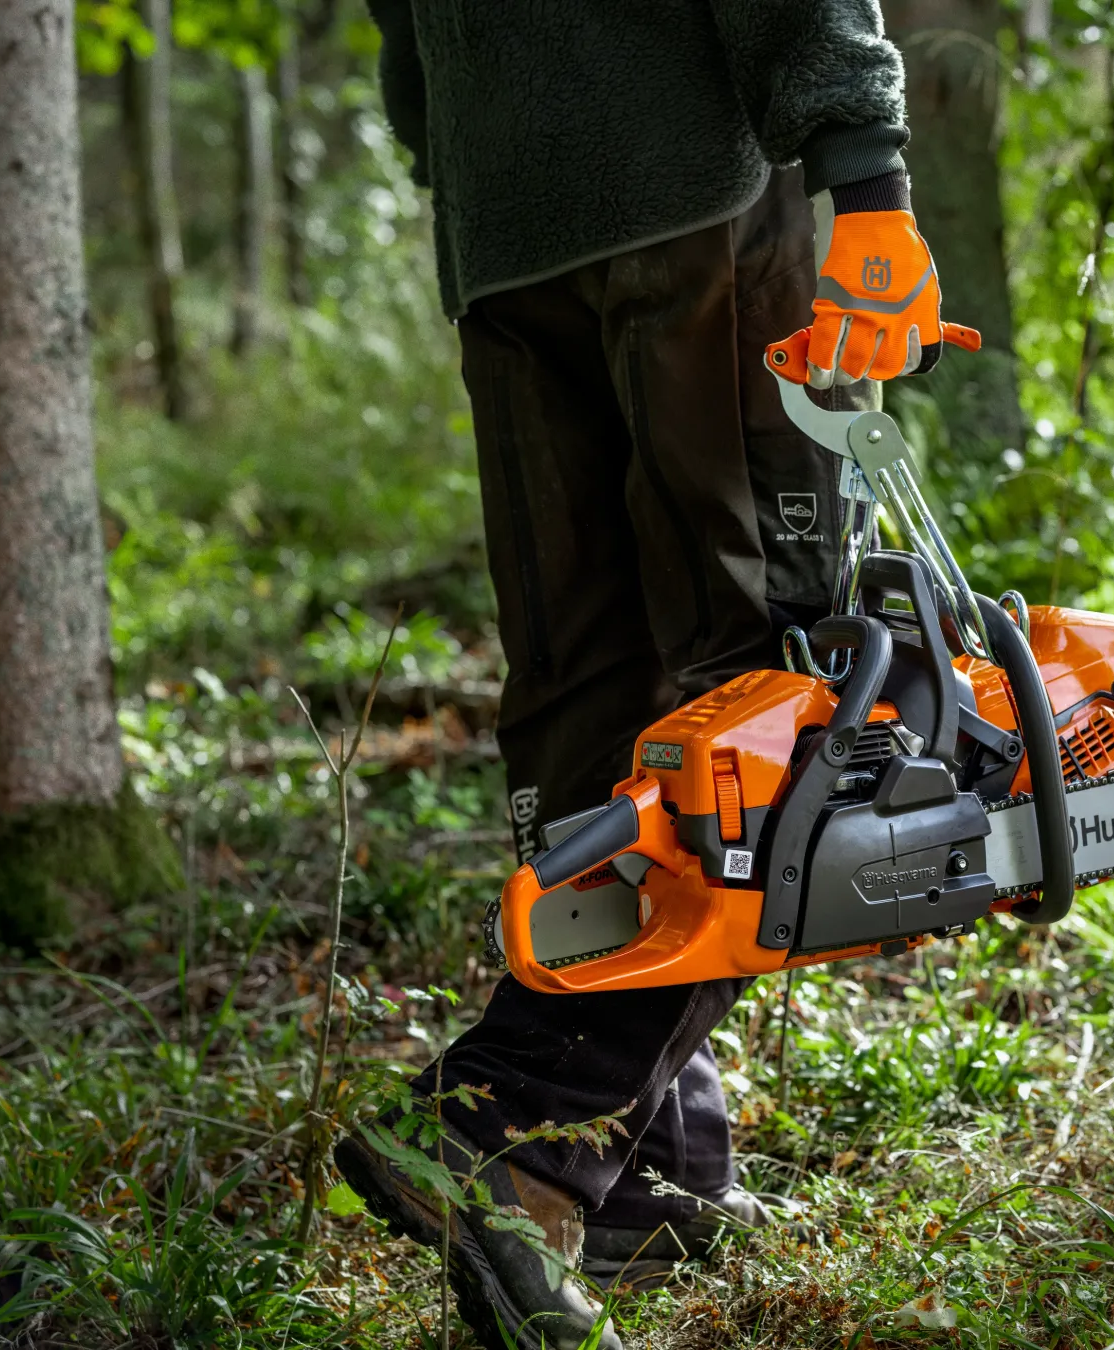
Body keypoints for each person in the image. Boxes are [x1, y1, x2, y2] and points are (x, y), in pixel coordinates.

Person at [332, 5, 961, 1349]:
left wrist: (482, 139)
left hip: (502, 226)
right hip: (689, 184)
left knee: (584, 695)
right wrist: (865, 173)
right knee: (772, 699)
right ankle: (510, 1121)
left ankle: (643, 1169)